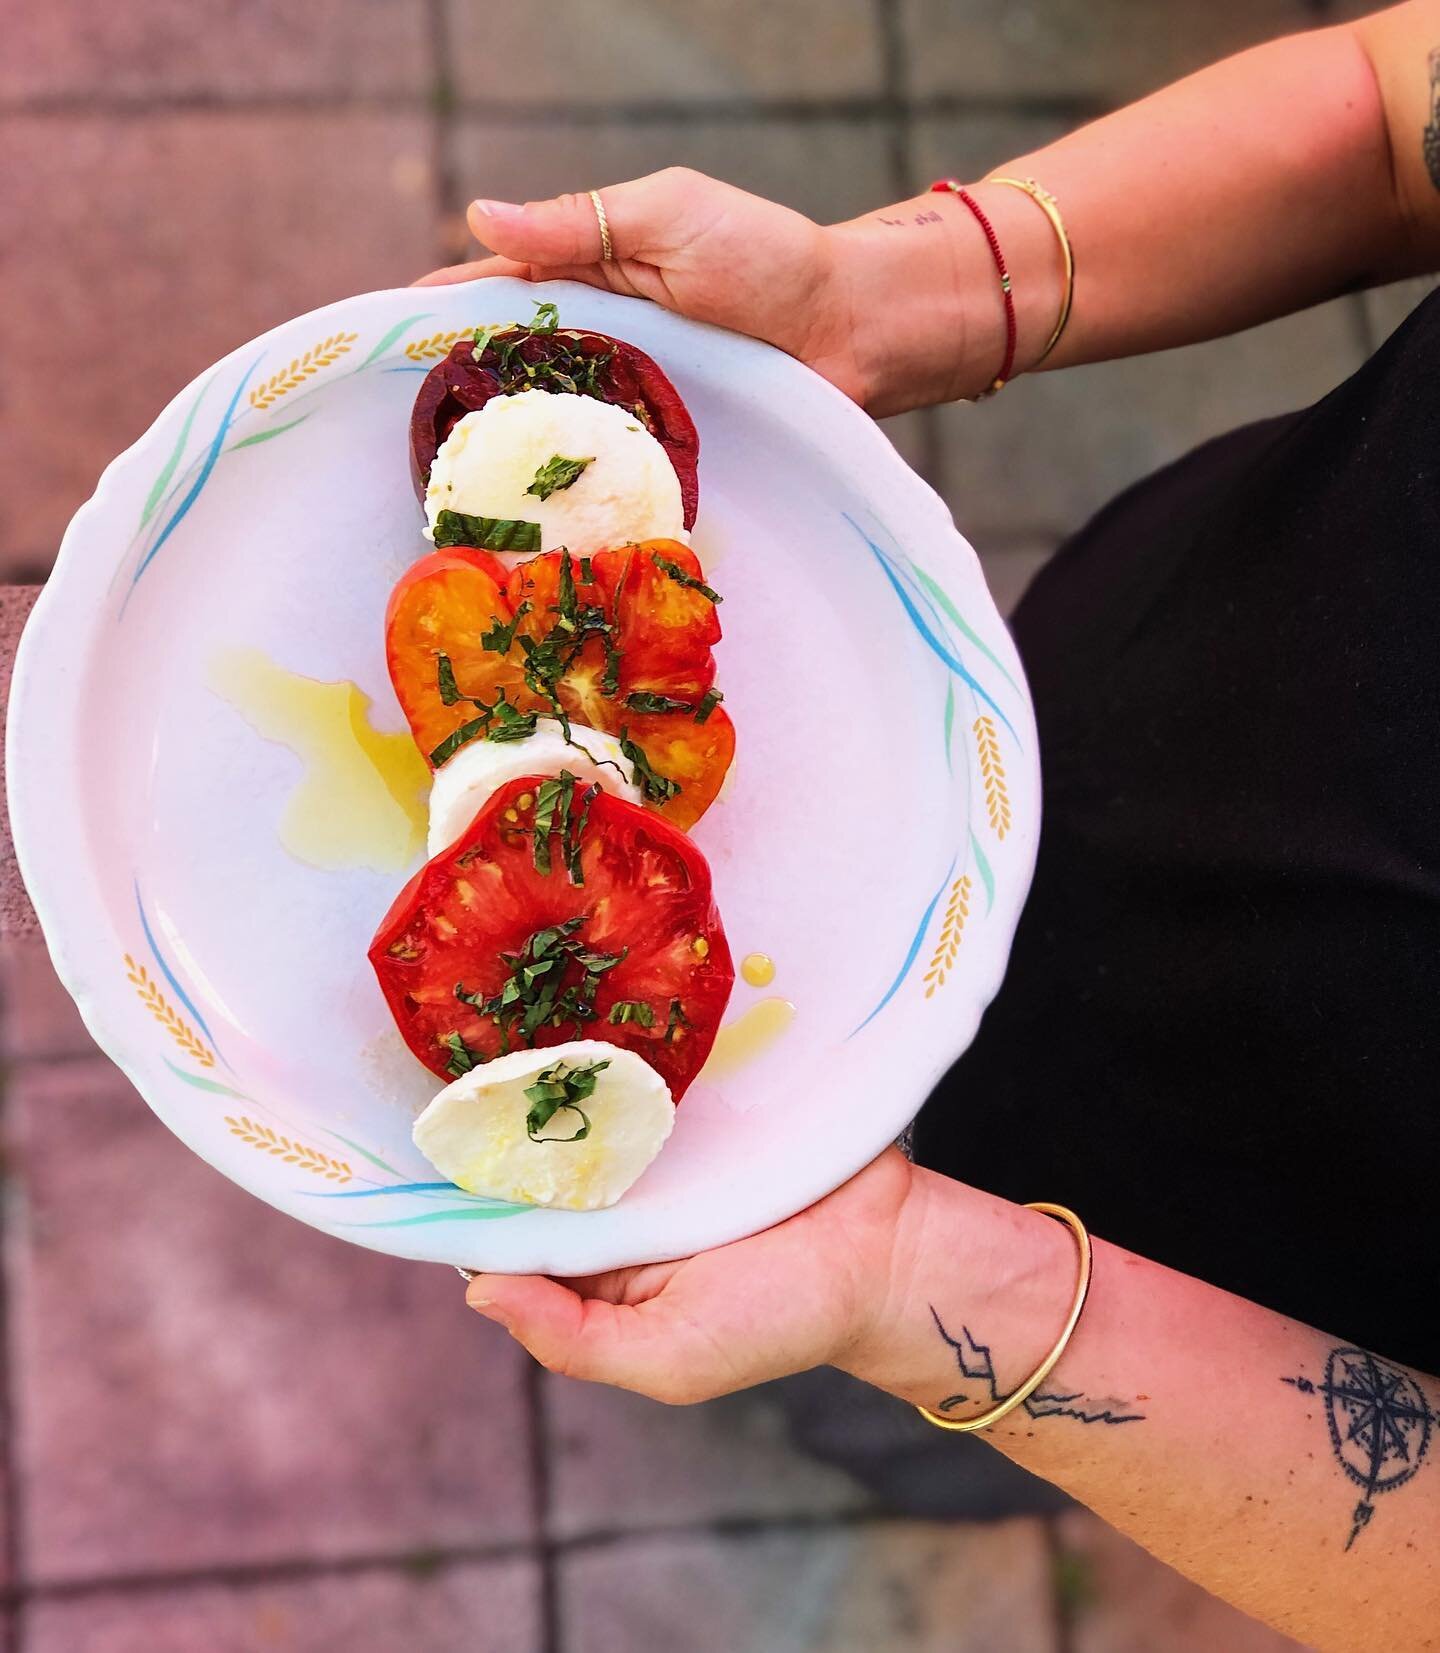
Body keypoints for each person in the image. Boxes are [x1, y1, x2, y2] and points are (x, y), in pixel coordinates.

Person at [417, 4, 1440, 1645]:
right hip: (1115, 691)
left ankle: (890, 1432)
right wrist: (879, 299)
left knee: (866, 1403)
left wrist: (919, 1295)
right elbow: (1404, 114)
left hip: (1239, 1272)